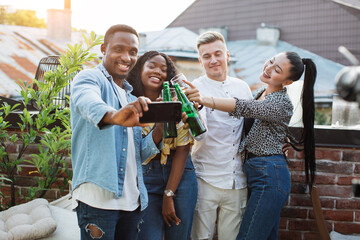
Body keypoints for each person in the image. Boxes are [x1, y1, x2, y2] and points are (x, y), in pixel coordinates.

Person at [184, 51, 317, 240]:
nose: (269, 68)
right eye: (271, 61)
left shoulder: (281, 103)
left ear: (287, 82)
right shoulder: (259, 93)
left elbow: (243, 107)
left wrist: (202, 99)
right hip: (257, 175)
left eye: (277, 69)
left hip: (270, 177)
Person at [70, 24, 163, 240]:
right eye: (118, 49)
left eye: (132, 52)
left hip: (133, 202)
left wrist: (161, 123)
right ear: (103, 49)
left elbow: (142, 153)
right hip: (98, 201)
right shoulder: (89, 78)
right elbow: (88, 101)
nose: (126, 57)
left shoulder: (131, 99)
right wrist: (115, 116)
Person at [188, 31, 253, 240]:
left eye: (217, 54)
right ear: (200, 61)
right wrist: (195, 110)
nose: (213, 60)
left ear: (227, 55)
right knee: (201, 237)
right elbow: (198, 136)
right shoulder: (195, 88)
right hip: (205, 177)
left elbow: (252, 126)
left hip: (238, 180)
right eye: (206, 57)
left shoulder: (242, 87)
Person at [127, 50, 197, 240]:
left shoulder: (177, 101)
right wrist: (159, 125)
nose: (158, 71)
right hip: (146, 175)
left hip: (180, 175)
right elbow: (138, 151)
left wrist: (169, 194)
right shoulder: (129, 103)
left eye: (163, 69)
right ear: (139, 70)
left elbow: (183, 149)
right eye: (151, 66)